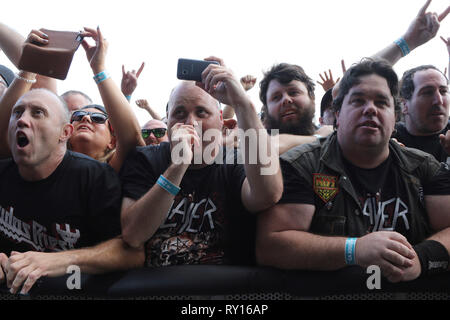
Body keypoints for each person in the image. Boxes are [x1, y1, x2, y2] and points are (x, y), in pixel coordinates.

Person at [256, 59, 450, 283]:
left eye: (381, 102)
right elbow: (270, 246)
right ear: (337, 114)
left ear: (396, 116)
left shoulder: (425, 168)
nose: (370, 109)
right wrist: (353, 250)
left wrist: (422, 258)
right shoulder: (303, 166)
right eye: (358, 101)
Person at [120, 57, 282, 267]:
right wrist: (178, 166)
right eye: (179, 113)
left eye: (202, 112)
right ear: (166, 121)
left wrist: (240, 101)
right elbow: (133, 235)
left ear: (221, 122)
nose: (191, 123)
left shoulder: (235, 161)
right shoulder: (145, 159)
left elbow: (268, 194)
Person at [0, 87, 143, 295]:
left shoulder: (95, 177)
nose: (22, 120)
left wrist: (56, 261)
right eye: (17, 112)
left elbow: (132, 254)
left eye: (37, 113)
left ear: (65, 133)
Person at [259, 63, 333, 154]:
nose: (286, 99)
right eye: (276, 97)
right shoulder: (255, 143)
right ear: (266, 109)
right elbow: (258, 153)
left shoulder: (333, 140)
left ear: (312, 98)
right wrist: (318, 138)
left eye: (293, 92)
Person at [393, 65, 449, 163]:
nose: (439, 100)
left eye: (443, 91)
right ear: (404, 105)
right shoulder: (389, 138)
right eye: (427, 93)